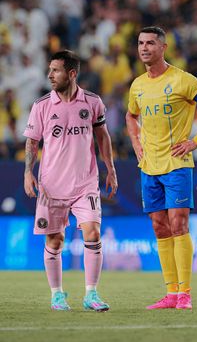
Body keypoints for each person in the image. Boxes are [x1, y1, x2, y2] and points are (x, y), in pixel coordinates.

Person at [126, 26, 197, 310]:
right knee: (159, 227)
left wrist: (196, 141)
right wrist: (135, 142)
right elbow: (130, 115)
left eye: (150, 43)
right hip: (148, 165)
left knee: (179, 224)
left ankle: (185, 294)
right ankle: (171, 293)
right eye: (140, 43)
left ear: (163, 47)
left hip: (177, 163)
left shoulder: (183, 80)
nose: (144, 48)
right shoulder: (138, 85)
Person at [24, 50, 118, 312]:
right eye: (50, 70)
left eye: (56, 70)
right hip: (51, 186)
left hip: (85, 183)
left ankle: (91, 294)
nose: (50, 75)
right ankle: (57, 295)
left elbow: (103, 137)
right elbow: (32, 142)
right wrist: (27, 173)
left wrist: (110, 168)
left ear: (72, 73)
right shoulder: (42, 105)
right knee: (55, 241)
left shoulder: (92, 102)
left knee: (93, 231)